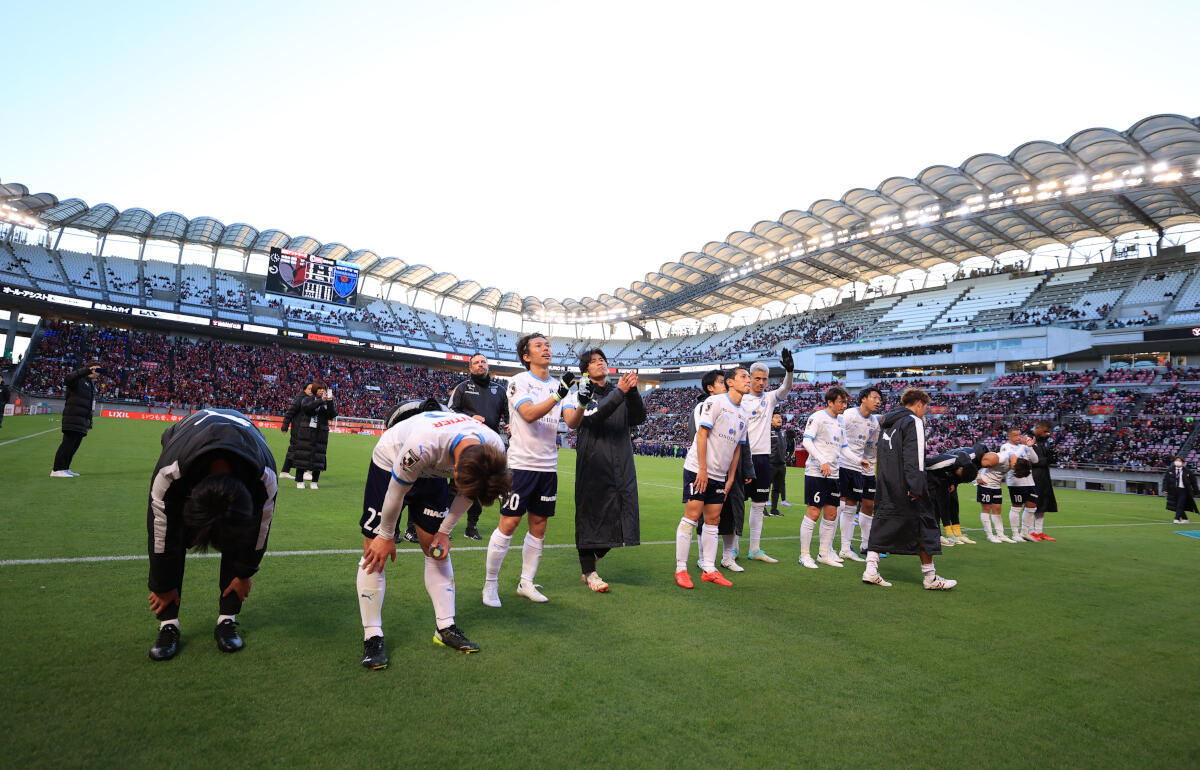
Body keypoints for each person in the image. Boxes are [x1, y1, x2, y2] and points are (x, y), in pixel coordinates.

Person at [357, 405, 510, 667]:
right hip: (390, 462)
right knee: (375, 549)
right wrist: (385, 534)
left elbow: (469, 492)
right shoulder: (423, 445)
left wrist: (444, 532)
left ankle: (445, 627)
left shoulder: (495, 448)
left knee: (436, 549)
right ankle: (372, 635)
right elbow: (396, 492)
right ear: (457, 471)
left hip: (434, 471)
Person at [145, 408, 279, 661]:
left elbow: (260, 528)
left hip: (247, 442)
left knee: (234, 529)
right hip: (185, 438)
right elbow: (162, 529)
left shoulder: (264, 477)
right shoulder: (170, 473)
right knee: (172, 539)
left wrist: (244, 572)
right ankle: (168, 623)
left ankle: (227, 619)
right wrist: (162, 584)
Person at [482, 333, 575, 606]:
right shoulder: (518, 382)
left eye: (547, 344)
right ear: (526, 355)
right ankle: (490, 585)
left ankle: (526, 582)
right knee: (509, 522)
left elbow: (572, 422)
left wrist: (580, 401)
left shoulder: (559, 386)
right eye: (539, 345)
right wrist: (559, 395)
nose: (546, 348)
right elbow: (530, 414)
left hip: (548, 467)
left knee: (539, 526)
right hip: (520, 465)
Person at [563, 349, 645, 592]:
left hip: (622, 461)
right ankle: (589, 571)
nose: (600, 363)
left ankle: (590, 560)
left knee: (624, 513)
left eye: (602, 360)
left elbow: (639, 418)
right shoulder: (580, 393)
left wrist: (632, 393)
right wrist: (621, 392)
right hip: (593, 462)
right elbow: (593, 417)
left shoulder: (618, 391)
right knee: (590, 515)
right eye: (594, 361)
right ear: (586, 370)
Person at [861, 388, 956, 590]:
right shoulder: (914, 421)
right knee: (926, 527)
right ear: (919, 404)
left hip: (886, 482)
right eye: (926, 408)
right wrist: (916, 486)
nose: (925, 412)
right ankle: (930, 578)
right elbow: (915, 457)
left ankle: (870, 570)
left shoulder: (889, 423)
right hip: (907, 485)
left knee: (882, 524)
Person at [674, 366, 751, 588]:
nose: (748, 381)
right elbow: (702, 434)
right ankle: (681, 569)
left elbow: (738, 449)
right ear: (730, 382)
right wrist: (703, 469)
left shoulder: (743, 414)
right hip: (698, 469)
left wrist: (730, 478)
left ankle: (709, 568)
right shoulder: (714, 403)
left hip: (719, 474)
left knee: (713, 520)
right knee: (691, 516)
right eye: (743, 377)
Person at [739, 353, 793, 565]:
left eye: (764, 379)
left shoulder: (769, 398)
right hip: (742, 456)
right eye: (757, 379)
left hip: (762, 459)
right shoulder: (739, 398)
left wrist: (789, 371)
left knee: (759, 504)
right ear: (750, 378)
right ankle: (732, 549)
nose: (761, 383)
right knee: (737, 503)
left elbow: (786, 389)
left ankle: (754, 549)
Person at [447, 352, 509, 540]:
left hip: (489, 446)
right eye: (476, 362)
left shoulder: (499, 389)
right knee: (455, 485)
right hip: (465, 444)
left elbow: (508, 414)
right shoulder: (462, 388)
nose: (481, 365)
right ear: (470, 367)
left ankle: (471, 527)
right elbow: (450, 411)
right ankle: (445, 526)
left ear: (488, 366)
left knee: (481, 486)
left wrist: (509, 423)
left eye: (483, 362)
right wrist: (469, 418)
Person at [799, 386, 849, 569]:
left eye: (845, 402)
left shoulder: (841, 421)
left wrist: (859, 460)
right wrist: (822, 461)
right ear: (830, 402)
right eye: (841, 402)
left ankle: (824, 553)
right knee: (814, 511)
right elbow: (806, 440)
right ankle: (804, 555)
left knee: (832, 513)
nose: (844, 405)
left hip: (834, 474)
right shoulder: (818, 417)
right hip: (816, 472)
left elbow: (844, 447)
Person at [835, 386, 882, 562]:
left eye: (880, 399)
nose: (878, 401)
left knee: (852, 507)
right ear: (863, 399)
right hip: (841, 463)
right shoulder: (848, 415)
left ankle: (848, 547)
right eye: (875, 397)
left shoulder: (874, 422)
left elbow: (871, 447)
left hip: (859, 467)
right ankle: (829, 547)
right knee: (838, 507)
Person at [928, 443, 995, 546]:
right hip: (938, 476)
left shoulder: (972, 462)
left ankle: (956, 533)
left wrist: (954, 483)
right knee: (941, 504)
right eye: (988, 464)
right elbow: (931, 465)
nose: (988, 466)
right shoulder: (966, 458)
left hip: (948, 476)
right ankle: (942, 535)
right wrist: (950, 482)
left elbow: (962, 474)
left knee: (954, 503)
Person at [51, 362, 103, 477]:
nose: (98, 374)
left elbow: (89, 405)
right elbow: (68, 378)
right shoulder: (78, 379)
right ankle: (56, 469)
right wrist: (86, 370)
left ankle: (65, 468)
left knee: (74, 446)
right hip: (72, 417)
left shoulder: (89, 384)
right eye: (97, 370)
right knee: (67, 444)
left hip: (81, 420)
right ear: (91, 369)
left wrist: (89, 421)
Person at [976, 448, 1033, 543]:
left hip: (997, 486)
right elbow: (980, 462)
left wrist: (1024, 444)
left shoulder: (1015, 458)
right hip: (985, 484)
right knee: (986, 509)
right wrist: (977, 478)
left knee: (997, 510)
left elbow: (1019, 450)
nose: (1013, 470)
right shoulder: (1001, 458)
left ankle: (1000, 534)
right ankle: (990, 535)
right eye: (1014, 469)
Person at [291, 381, 336, 489]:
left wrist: (330, 402)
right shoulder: (307, 399)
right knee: (303, 455)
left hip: (321, 433)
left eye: (323, 389)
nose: (321, 390)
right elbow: (307, 408)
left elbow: (332, 415)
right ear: (315, 389)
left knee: (319, 457)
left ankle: (314, 481)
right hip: (306, 432)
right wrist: (321, 401)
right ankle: (300, 480)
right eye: (319, 388)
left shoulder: (327, 402)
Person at [1000, 427, 1039, 542]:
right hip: (1016, 482)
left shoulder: (1024, 446)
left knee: (1032, 507)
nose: (1018, 437)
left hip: (1029, 481)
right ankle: (1015, 533)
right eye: (1015, 435)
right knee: (1016, 507)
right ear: (1009, 436)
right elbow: (1014, 459)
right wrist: (1023, 445)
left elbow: (1035, 460)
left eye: (1019, 435)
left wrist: (1029, 447)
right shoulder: (1006, 447)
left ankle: (1025, 533)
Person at [1029, 420, 1058, 541]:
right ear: (1038, 428)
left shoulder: (1046, 442)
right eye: (1045, 431)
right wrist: (1047, 460)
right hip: (1032, 476)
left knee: (1043, 504)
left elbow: (1049, 459)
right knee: (1032, 504)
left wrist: (1051, 457)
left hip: (1044, 475)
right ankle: (1029, 532)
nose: (1047, 434)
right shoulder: (1028, 439)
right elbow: (1033, 461)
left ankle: (1039, 532)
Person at [278, 383, 313, 480]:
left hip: (305, 429)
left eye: (312, 389)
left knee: (293, 450)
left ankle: (284, 472)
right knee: (304, 449)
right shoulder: (299, 399)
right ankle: (304, 472)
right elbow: (289, 413)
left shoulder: (310, 399)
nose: (311, 390)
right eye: (309, 389)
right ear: (304, 390)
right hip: (298, 430)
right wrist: (285, 426)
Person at [1163, 457, 1198, 524]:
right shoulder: (1170, 470)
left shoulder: (1187, 471)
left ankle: (1176, 518)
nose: (1177, 462)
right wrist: (1165, 489)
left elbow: (1193, 482)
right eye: (1176, 460)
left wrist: (1196, 491)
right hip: (1173, 490)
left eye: (1179, 461)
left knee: (1180, 504)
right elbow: (1165, 480)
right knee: (1176, 505)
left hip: (1184, 490)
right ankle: (1185, 519)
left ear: (1183, 462)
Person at [768, 414, 788, 517]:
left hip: (781, 465)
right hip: (770, 464)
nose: (779, 419)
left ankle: (774, 509)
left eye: (780, 417)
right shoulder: (768, 431)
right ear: (771, 421)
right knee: (766, 487)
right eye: (776, 417)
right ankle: (762, 509)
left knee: (777, 488)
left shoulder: (783, 432)